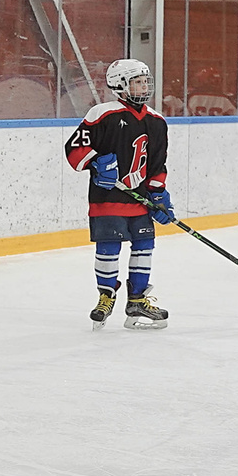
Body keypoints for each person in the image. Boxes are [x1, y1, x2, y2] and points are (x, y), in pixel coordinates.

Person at [62, 58, 170, 326]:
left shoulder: (157, 121)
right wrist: (95, 162)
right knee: (109, 247)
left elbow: (157, 165)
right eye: (137, 81)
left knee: (144, 247)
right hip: (107, 199)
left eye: (145, 81)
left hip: (140, 200)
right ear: (120, 85)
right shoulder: (102, 114)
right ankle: (106, 296)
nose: (144, 86)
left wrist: (158, 196)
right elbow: (74, 149)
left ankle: (136, 301)